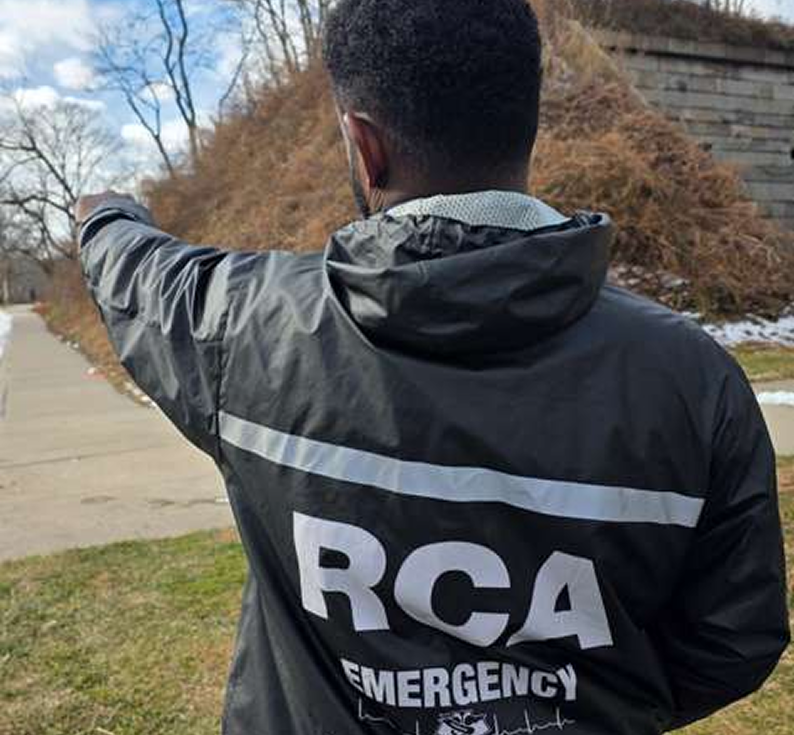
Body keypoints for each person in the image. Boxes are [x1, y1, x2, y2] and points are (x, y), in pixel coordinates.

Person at [76, 1, 789, 733]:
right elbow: (732, 641)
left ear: (364, 143)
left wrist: (105, 214)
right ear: (529, 125)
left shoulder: (243, 329)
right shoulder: (694, 379)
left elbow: (136, 275)